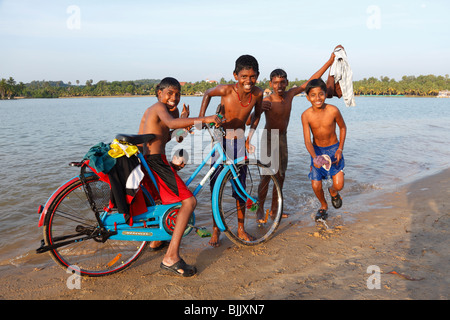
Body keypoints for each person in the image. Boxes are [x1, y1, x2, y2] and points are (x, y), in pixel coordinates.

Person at [138, 77, 222, 276]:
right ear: (159, 93)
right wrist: (206, 118)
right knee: (189, 202)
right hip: (154, 161)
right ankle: (171, 258)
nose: (174, 98)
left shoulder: (169, 111)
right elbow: (169, 122)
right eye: (169, 93)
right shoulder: (158, 107)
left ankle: (156, 240)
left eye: (177, 94)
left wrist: (181, 124)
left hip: (150, 160)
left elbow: (165, 136)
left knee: (161, 202)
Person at [254, 49, 337, 222]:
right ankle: (260, 209)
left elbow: (311, 80)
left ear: (287, 83)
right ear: (270, 83)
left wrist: (329, 63)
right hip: (269, 139)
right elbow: (251, 120)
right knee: (266, 176)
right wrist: (259, 107)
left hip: (282, 139)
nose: (279, 86)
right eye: (275, 83)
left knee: (281, 175)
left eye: (282, 82)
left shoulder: (290, 94)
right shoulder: (268, 101)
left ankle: (276, 209)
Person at [199, 54, 264, 247]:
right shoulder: (226, 90)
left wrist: (249, 137)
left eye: (252, 76)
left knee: (240, 188)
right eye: (244, 76)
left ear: (257, 76)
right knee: (215, 189)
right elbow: (207, 93)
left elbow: (258, 115)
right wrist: (203, 118)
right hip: (221, 142)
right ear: (236, 75)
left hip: (240, 143)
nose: (248, 81)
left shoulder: (258, 94)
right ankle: (215, 230)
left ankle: (241, 229)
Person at [301, 78, 347, 221]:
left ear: (325, 94)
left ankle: (333, 191)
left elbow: (343, 127)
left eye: (320, 94)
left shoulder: (333, 110)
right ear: (308, 98)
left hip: (334, 150)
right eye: (313, 95)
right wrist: (315, 157)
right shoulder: (306, 115)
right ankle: (323, 205)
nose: (317, 98)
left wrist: (340, 149)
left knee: (339, 185)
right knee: (315, 184)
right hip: (317, 151)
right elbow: (308, 141)